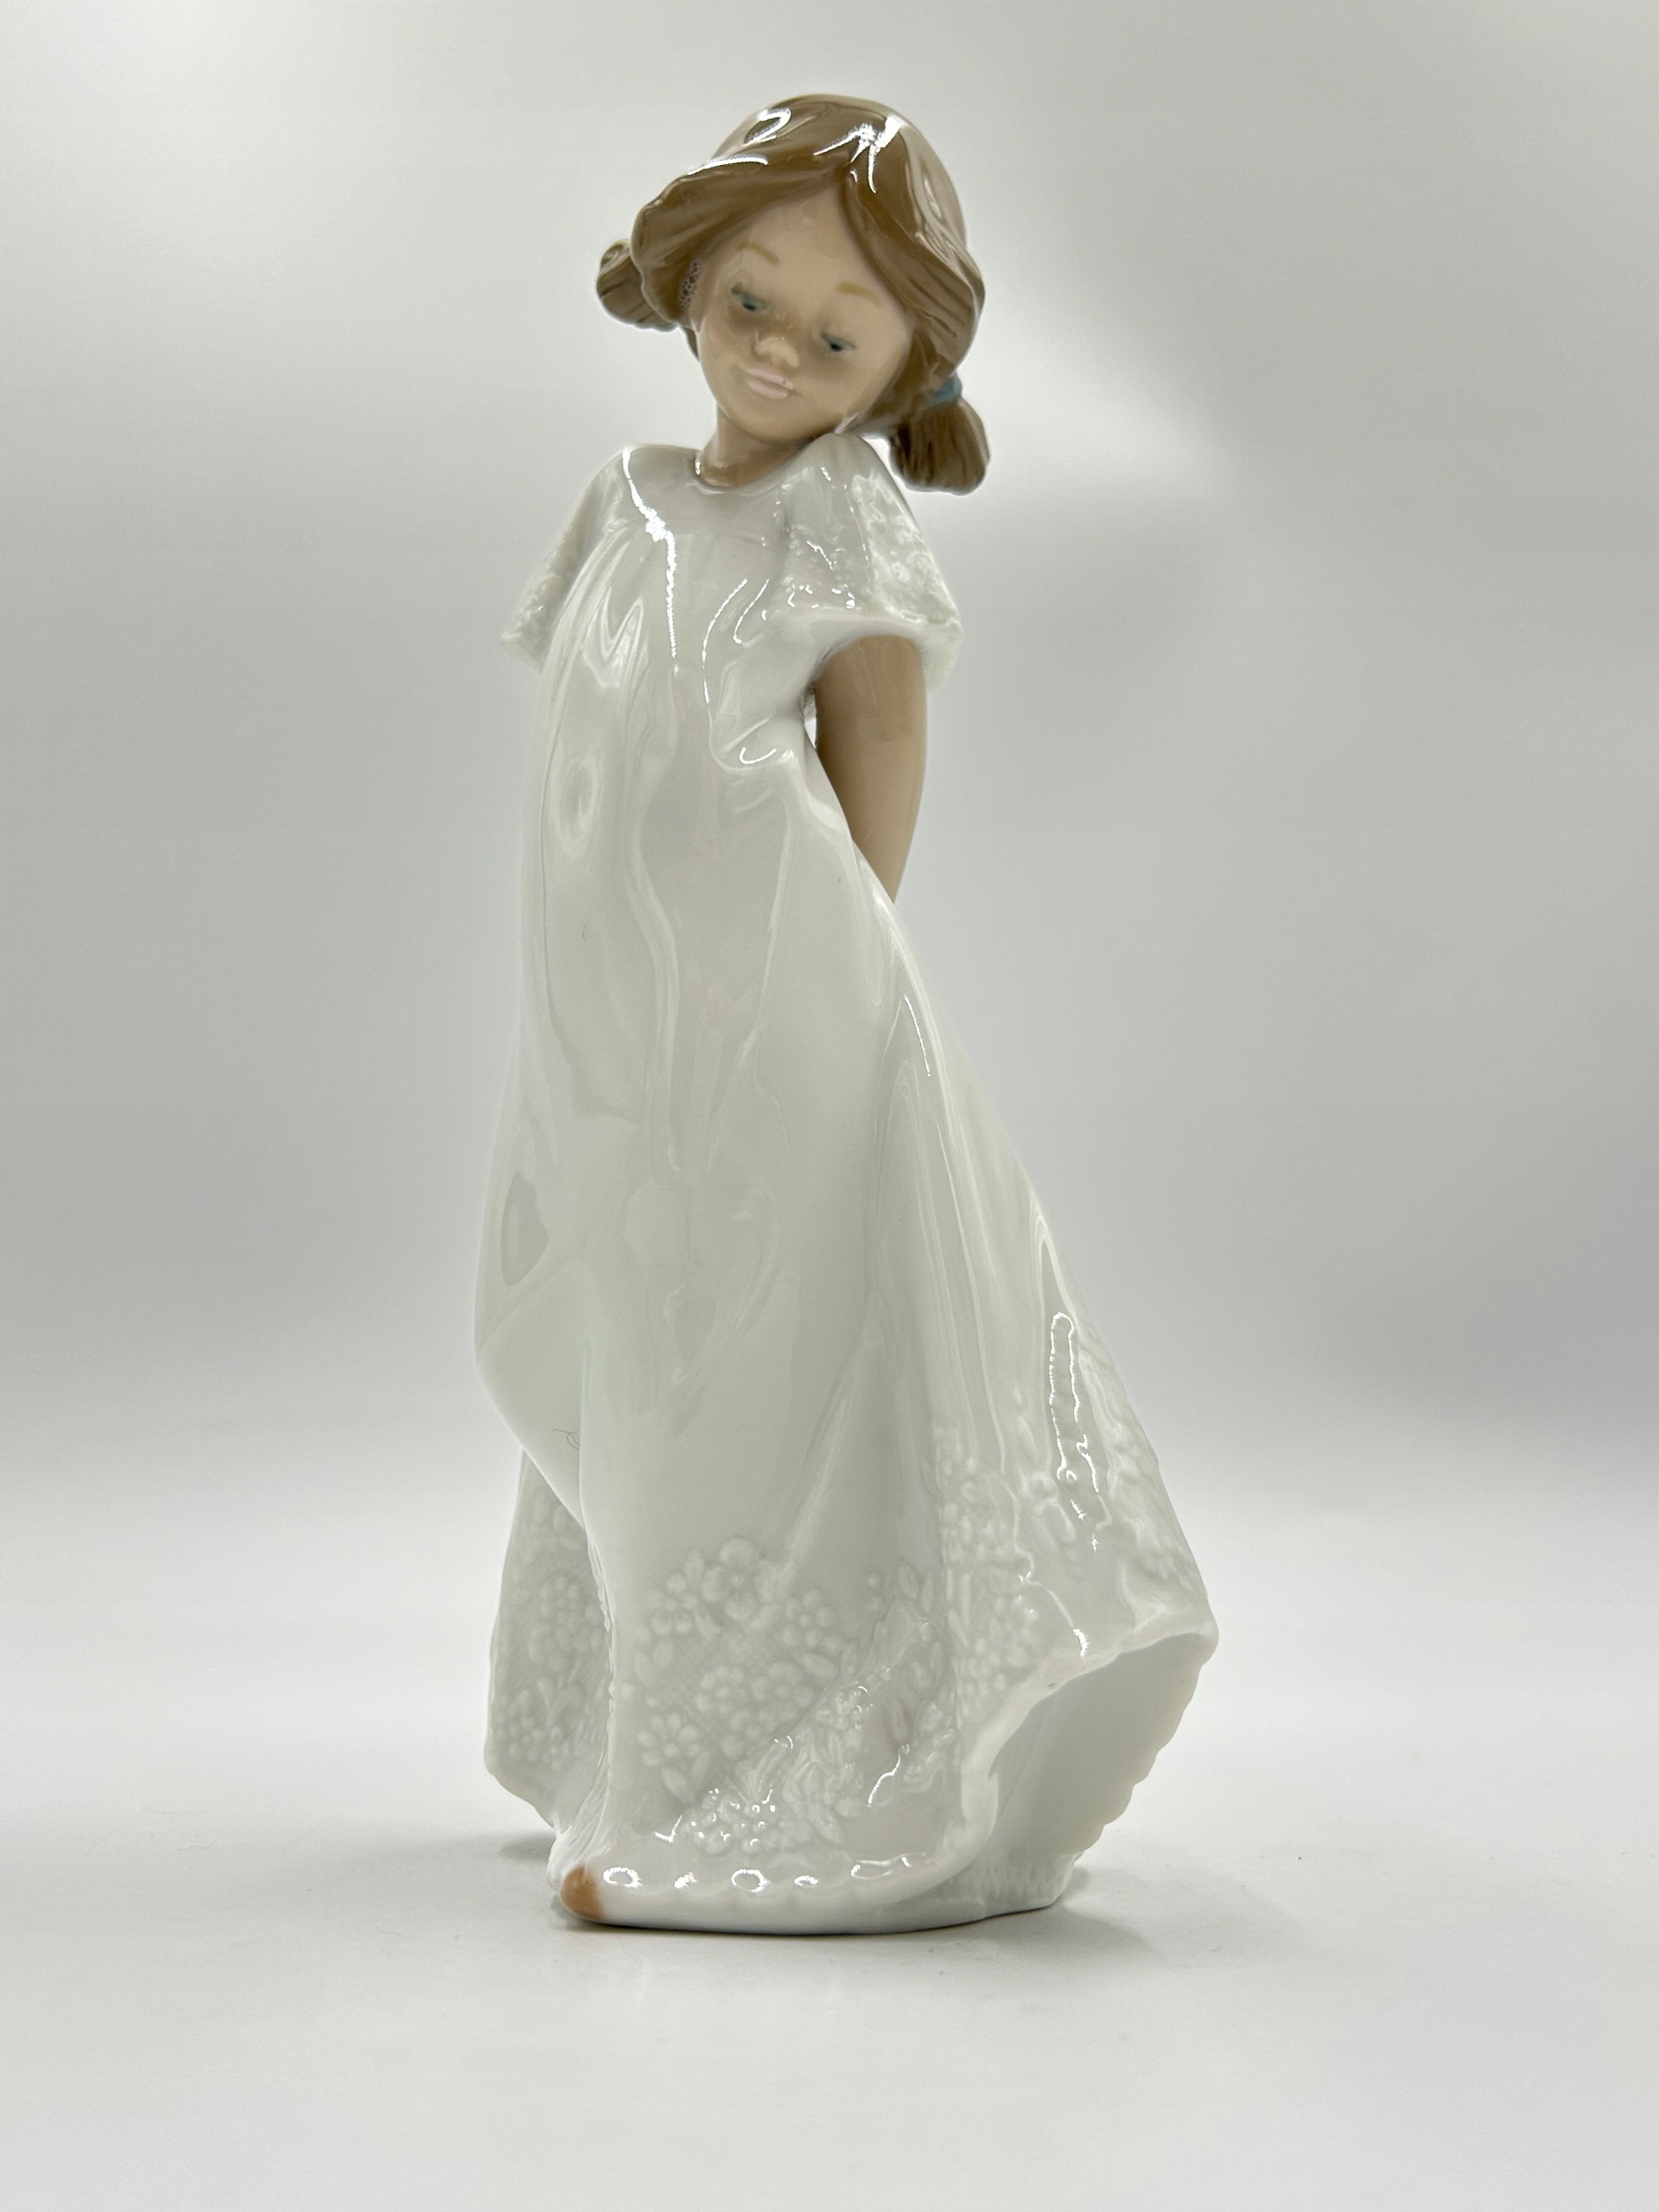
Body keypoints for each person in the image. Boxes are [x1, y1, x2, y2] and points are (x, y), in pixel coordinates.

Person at [474, 95, 1217, 1933]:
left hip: (775, 992)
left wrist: (833, 975)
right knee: (625, 1316)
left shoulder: (842, 518)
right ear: (688, 281)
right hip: (613, 1009)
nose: (778, 351)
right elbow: (583, 760)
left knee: (746, 1346)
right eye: (751, 300)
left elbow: (879, 750)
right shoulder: (628, 503)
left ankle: (738, 1765)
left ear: (900, 369)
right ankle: (620, 1728)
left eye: (835, 333)